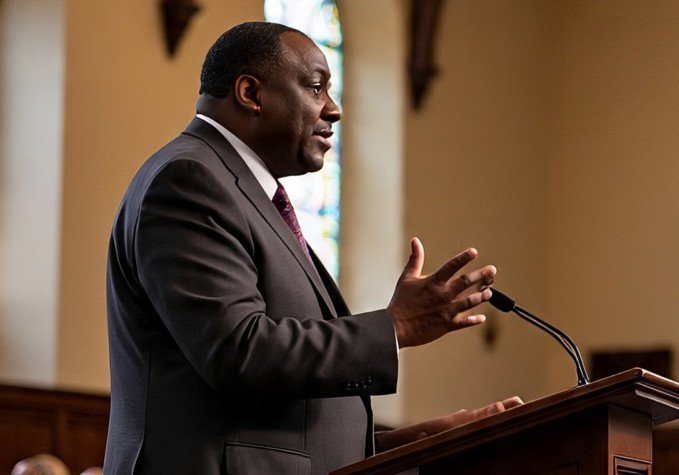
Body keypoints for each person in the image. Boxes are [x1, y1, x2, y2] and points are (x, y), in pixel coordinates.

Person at [104, 21, 521, 474]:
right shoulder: (190, 179)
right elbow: (237, 351)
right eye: (316, 87)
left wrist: (417, 442)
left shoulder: (243, 192)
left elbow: (273, 430)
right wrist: (395, 326)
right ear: (250, 93)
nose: (334, 110)